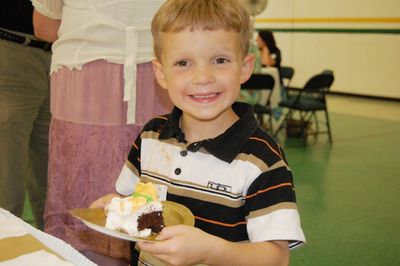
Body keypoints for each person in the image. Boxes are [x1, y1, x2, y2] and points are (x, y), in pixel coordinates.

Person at [93, 0, 306, 265]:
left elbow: (276, 258)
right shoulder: (150, 137)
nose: (203, 77)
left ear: (245, 67)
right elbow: (141, 209)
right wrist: (116, 209)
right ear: (161, 73)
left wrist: (209, 251)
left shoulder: (261, 159)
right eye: (183, 62)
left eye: (220, 60)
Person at [32, 0, 172, 265]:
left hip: (85, 68)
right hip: (162, 65)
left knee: (81, 184)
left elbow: (45, 26)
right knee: (154, 178)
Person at [0, 0, 52, 230]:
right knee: (6, 177)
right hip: (10, 51)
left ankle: (55, 253)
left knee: (52, 174)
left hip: (59, 57)